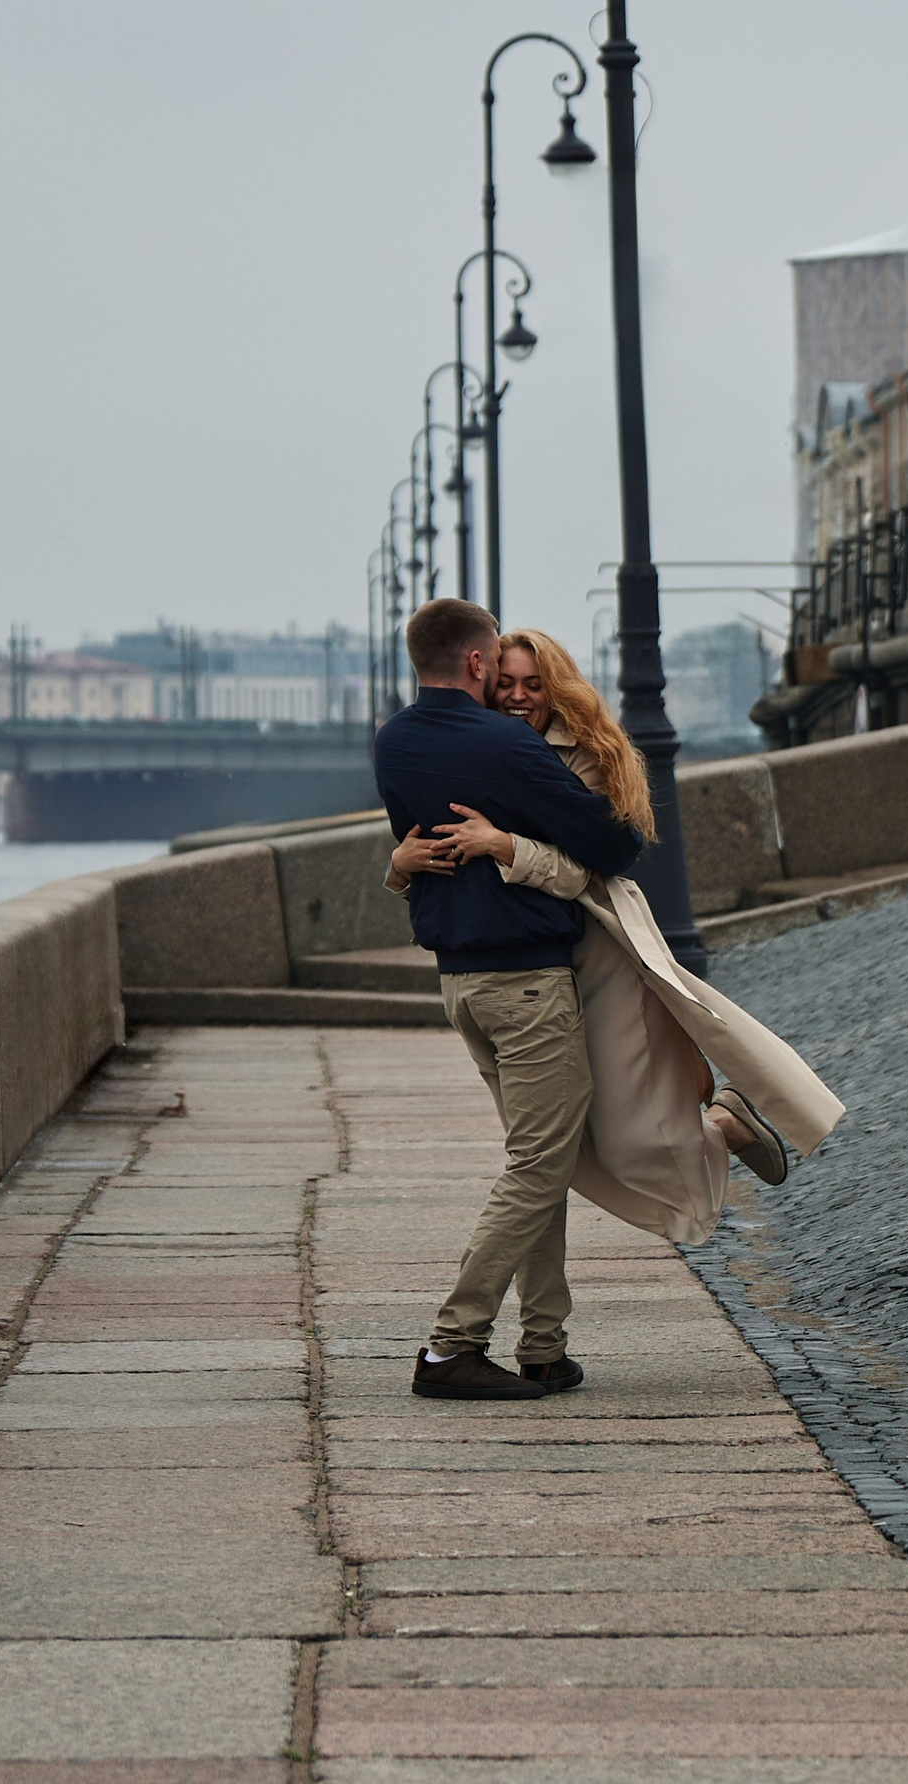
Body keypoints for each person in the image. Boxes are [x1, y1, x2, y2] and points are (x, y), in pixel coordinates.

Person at [392, 624, 843, 1253]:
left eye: (533, 684)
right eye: (506, 684)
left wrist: (505, 846)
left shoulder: (582, 755)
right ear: (484, 682)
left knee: (626, 1135)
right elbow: (439, 849)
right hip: (529, 967)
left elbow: (587, 868)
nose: (519, 696)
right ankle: (543, 1331)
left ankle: (720, 1126)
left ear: (556, 689)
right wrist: (399, 865)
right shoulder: (483, 751)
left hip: (599, 953)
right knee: (563, 1147)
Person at [371, 596, 645, 1404]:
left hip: (459, 981)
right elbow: (615, 845)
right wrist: (523, 840)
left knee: (541, 1157)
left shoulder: (393, 743)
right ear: (478, 663)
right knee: (537, 1164)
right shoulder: (505, 746)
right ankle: (452, 1344)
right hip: (526, 981)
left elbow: (414, 850)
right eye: (499, 665)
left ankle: (544, 1347)